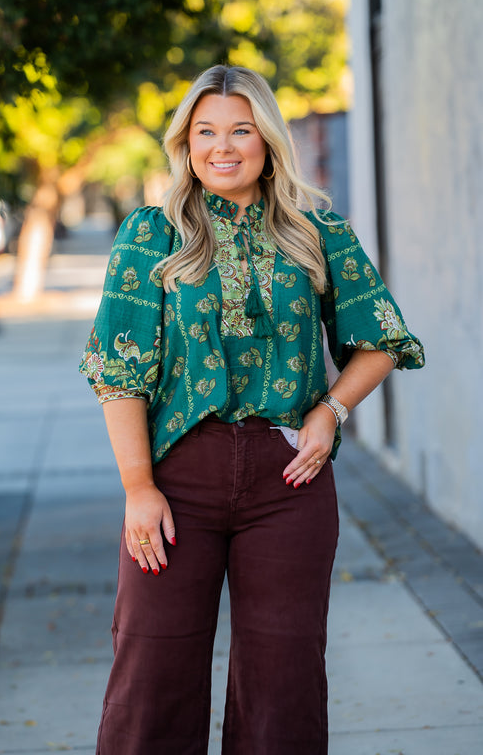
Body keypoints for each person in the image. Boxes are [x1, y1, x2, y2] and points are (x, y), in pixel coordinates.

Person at [80, 64, 424, 755]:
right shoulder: (151, 234)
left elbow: (382, 339)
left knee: (284, 686)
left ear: (267, 140)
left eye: (240, 129)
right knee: (153, 678)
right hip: (177, 477)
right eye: (204, 131)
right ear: (185, 142)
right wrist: (137, 486)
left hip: (287, 480)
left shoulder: (317, 229)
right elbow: (118, 373)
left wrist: (330, 411)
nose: (221, 146)